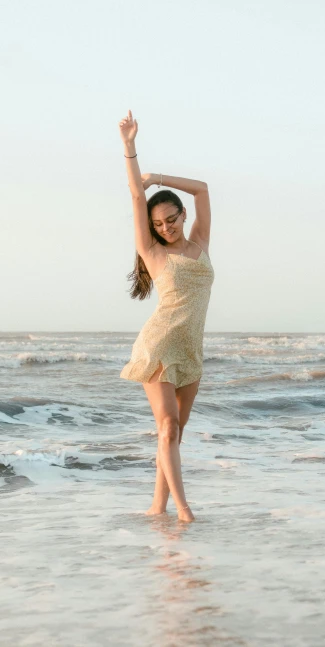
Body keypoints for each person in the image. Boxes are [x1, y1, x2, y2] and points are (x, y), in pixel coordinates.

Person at [118, 109, 215, 523]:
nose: (167, 227)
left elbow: (203, 189)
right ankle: (184, 512)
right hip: (159, 344)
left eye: (172, 219)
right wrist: (130, 149)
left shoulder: (199, 243)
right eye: (159, 224)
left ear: (182, 216)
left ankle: (157, 506)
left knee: (174, 435)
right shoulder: (154, 254)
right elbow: (137, 199)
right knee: (167, 428)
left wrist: (158, 177)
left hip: (190, 349)